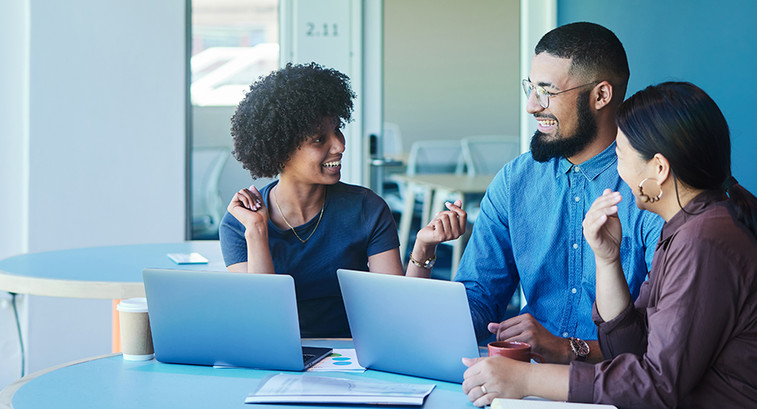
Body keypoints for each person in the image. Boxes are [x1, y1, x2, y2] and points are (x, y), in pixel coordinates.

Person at [462, 81, 757, 407]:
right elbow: (629, 349)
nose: (617, 170)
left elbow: (656, 384)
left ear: (658, 168)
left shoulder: (704, 242)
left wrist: (525, 379)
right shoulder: (687, 230)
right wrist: (607, 259)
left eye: (619, 154)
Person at [454, 22, 663, 363]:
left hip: (619, 387)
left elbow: (664, 337)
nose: (532, 106)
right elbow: (480, 295)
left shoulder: (652, 188)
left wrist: (566, 349)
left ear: (601, 95)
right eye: (530, 88)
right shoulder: (514, 180)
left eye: (547, 91)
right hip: (525, 380)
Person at [219, 62, 466, 338]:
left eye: (337, 130)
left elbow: (398, 314)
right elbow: (261, 324)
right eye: (319, 139)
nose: (339, 145)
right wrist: (257, 232)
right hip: (278, 357)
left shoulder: (366, 209)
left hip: (355, 360)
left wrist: (423, 248)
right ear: (281, 149)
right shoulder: (239, 223)